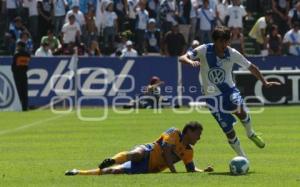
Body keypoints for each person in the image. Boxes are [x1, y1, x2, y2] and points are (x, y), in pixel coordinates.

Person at [179, 26, 281, 158]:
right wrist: (190, 61)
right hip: (211, 97)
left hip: (229, 90)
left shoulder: (232, 53)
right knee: (228, 130)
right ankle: (243, 158)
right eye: (221, 41)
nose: (224, 45)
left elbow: (251, 67)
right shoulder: (204, 50)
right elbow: (182, 57)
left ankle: (250, 133)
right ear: (215, 41)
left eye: (226, 41)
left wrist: (264, 82)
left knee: (240, 109)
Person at [65, 121, 214, 175]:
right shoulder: (174, 132)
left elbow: (190, 169)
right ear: (189, 131)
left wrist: (203, 171)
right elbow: (167, 152)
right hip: (149, 150)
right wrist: (174, 172)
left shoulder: (189, 152)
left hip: (148, 168)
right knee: (137, 153)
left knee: (113, 171)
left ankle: (78, 172)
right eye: (198, 134)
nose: (199, 138)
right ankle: (112, 159)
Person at [11, 41, 31, 111]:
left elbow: (13, 66)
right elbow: (27, 65)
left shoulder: (16, 55)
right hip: (24, 74)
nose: (17, 47)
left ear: (20, 46)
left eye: (18, 45)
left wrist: (14, 73)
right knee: (25, 92)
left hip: (17, 75)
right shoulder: (28, 55)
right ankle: (25, 108)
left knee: (19, 92)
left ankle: (20, 107)